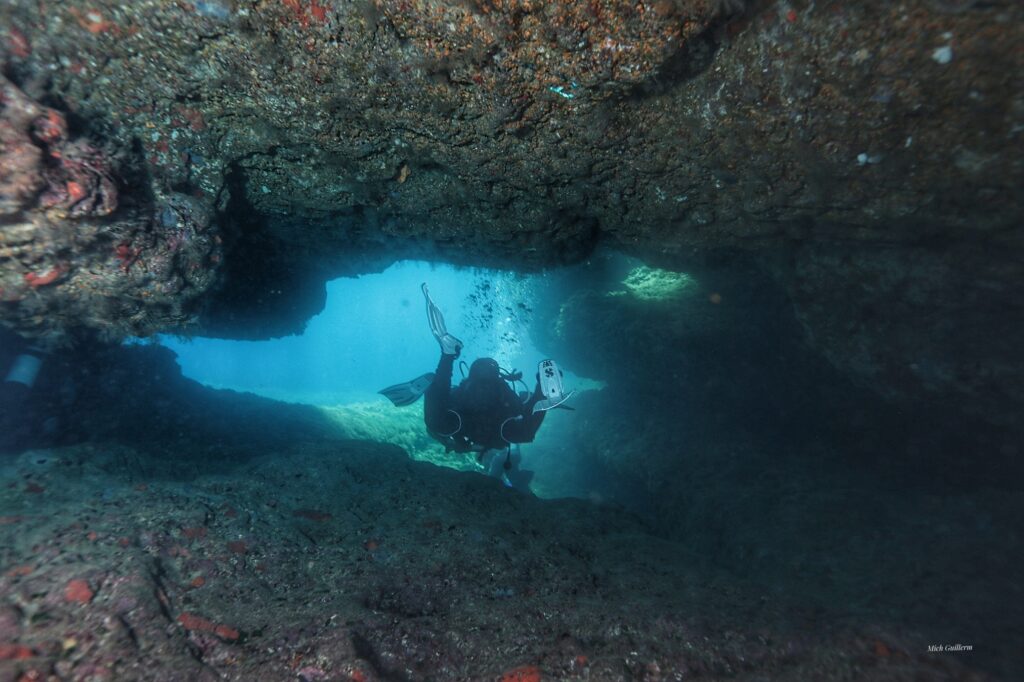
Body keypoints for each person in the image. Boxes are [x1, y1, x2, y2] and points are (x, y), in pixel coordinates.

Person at [380, 284, 572, 493]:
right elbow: (519, 411)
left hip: (466, 421)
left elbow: (433, 425)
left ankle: (443, 367)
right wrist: (531, 402)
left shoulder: (470, 408)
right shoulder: (502, 411)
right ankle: (542, 392)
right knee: (524, 431)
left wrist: (454, 442)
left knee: (439, 420)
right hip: (494, 423)